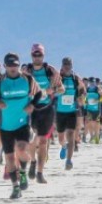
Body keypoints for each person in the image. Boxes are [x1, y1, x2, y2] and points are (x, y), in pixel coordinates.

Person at [0, 53, 43, 198]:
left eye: (15, 65)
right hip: (5, 125)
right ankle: (15, 187)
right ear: (5, 66)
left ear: (19, 65)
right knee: (10, 158)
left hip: (22, 122)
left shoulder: (27, 79)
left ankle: (22, 171)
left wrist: (32, 105)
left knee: (22, 148)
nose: (13, 68)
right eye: (10, 65)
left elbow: (39, 94)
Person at [23, 43, 60, 183]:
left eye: (39, 54)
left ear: (43, 55)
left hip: (47, 109)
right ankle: (32, 161)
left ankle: (40, 173)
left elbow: (61, 88)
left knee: (43, 141)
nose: (37, 57)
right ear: (31, 55)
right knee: (32, 139)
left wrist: (53, 91)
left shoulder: (50, 71)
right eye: (34, 54)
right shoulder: (26, 70)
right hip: (32, 109)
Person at [55, 57, 83, 170]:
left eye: (69, 64)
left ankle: (69, 160)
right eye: (65, 64)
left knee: (71, 135)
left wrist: (82, 96)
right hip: (60, 112)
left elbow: (82, 90)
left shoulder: (75, 78)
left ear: (71, 65)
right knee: (61, 137)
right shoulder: (58, 77)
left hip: (71, 111)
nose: (67, 66)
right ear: (62, 65)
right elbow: (52, 90)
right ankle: (63, 146)